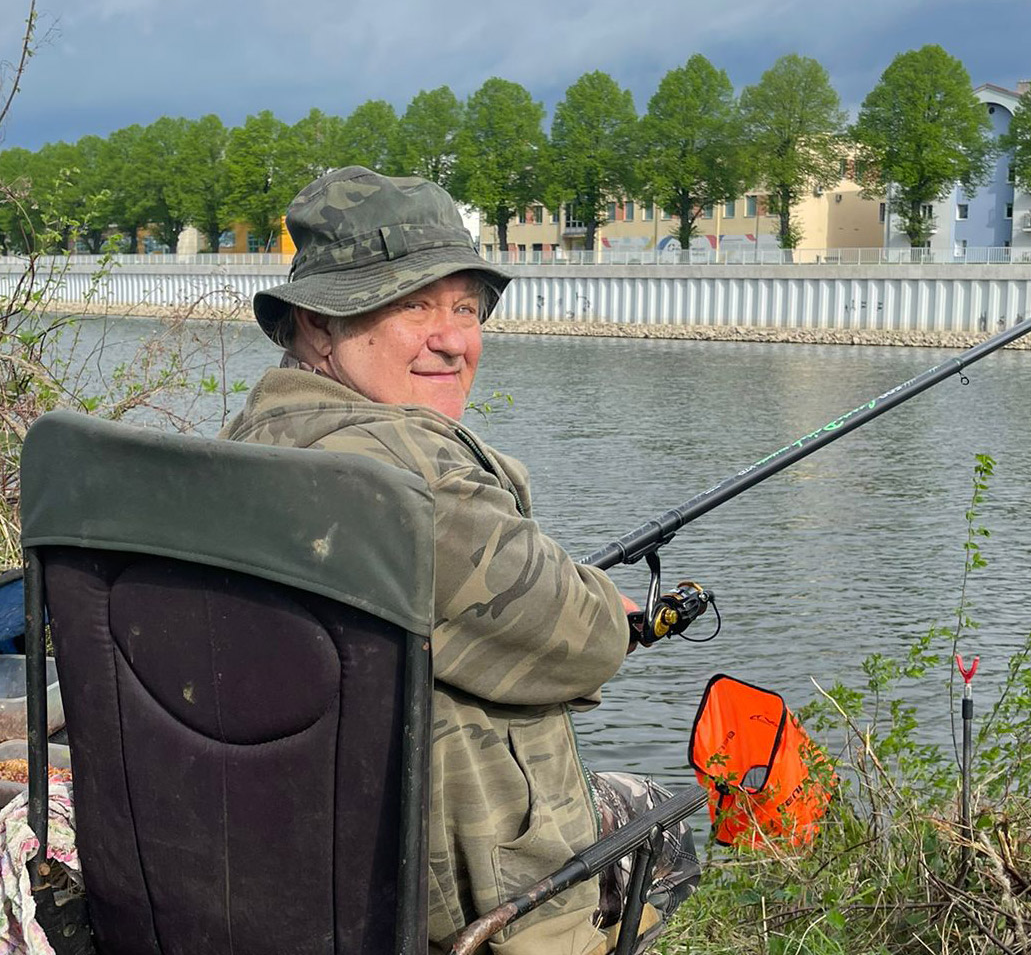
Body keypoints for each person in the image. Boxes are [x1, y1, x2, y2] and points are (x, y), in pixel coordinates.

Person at [219, 167, 697, 955]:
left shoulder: (250, 443)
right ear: (316, 321)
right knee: (658, 821)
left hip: (299, 859)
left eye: (466, 307)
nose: (453, 339)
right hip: (447, 900)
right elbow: (586, 642)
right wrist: (602, 605)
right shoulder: (405, 479)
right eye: (412, 306)